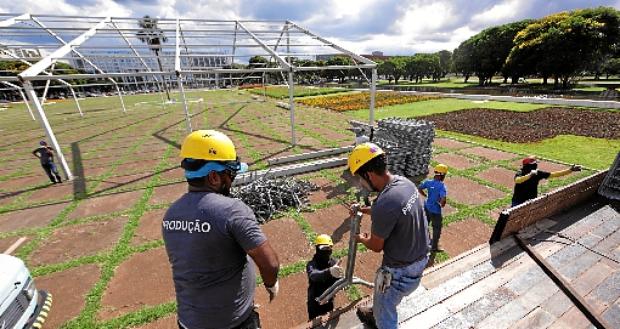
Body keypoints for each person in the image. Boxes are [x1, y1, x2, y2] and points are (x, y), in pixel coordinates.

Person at [162, 130, 280, 329]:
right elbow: (270, 263)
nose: (232, 180)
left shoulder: (170, 215)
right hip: (232, 323)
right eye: (231, 174)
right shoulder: (231, 210)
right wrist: (270, 284)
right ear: (214, 177)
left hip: (188, 322)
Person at [347, 142, 430, 329]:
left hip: (399, 271)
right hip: (420, 258)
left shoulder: (386, 203)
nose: (360, 184)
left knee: (386, 317)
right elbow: (389, 210)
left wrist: (360, 238)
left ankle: (381, 315)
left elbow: (377, 246)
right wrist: (361, 209)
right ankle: (377, 309)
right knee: (383, 298)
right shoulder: (404, 183)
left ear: (368, 174)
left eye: (360, 178)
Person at [511, 155, 582, 207]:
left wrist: (570, 170)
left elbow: (554, 174)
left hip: (531, 200)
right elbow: (517, 181)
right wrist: (530, 175)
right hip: (518, 200)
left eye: (536, 164)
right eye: (534, 164)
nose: (536, 165)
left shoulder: (538, 173)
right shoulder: (520, 172)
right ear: (528, 165)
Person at [306, 234, 344, 320]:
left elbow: (339, 278)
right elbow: (313, 275)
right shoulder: (311, 264)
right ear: (317, 248)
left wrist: (342, 282)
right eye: (323, 248)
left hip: (329, 300)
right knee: (314, 323)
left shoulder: (333, 262)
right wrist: (329, 272)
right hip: (314, 301)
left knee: (328, 319)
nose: (326, 251)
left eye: (329, 248)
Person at [418, 164, 448, 252]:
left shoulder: (428, 182)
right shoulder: (442, 186)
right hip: (436, 211)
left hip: (427, 207)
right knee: (436, 228)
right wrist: (442, 204)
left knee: (425, 224)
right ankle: (434, 246)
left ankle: (422, 240)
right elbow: (443, 200)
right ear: (442, 175)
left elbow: (419, 188)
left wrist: (425, 195)